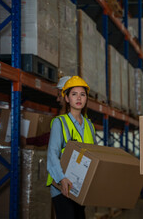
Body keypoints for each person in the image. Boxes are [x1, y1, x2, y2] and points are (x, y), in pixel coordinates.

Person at [47, 76, 97, 219]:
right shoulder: (59, 122)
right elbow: (52, 154)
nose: (79, 98)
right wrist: (62, 178)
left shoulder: (89, 125)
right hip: (62, 184)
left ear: (86, 98)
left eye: (82, 94)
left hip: (80, 186)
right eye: (74, 94)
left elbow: (94, 155)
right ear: (67, 98)